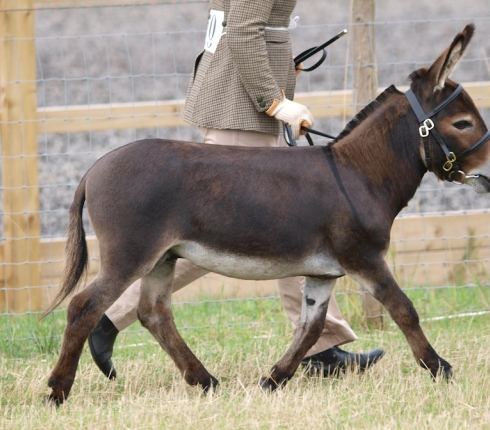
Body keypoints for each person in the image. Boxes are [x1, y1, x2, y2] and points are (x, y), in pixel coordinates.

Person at [88, 0, 384, 380]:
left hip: (241, 98)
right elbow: (243, 30)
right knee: (212, 231)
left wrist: (279, 74)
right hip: (242, 105)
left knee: (291, 226)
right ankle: (106, 315)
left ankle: (319, 346)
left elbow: (247, 25)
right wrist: (275, 102)